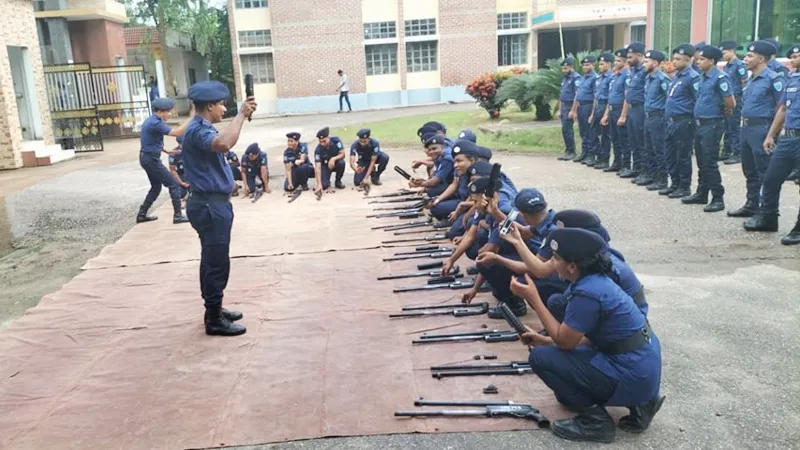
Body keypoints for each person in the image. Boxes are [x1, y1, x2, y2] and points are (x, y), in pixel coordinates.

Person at [510, 228, 663, 443]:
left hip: (632, 373)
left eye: (556, 258)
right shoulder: (598, 281)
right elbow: (594, 338)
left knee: (541, 358)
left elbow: (565, 342)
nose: (552, 263)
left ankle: (596, 423)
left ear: (572, 267)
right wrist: (545, 339)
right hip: (644, 371)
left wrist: (533, 298)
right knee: (557, 370)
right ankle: (642, 405)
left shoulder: (587, 293)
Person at [182, 80, 256, 336]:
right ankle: (214, 319)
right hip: (209, 205)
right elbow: (224, 144)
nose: (224, 109)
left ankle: (214, 308)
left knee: (212, 258)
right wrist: (241, 115)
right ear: (210, 106)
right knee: (216, 262)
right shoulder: (197, 130)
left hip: (211, 202)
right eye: (222, 105)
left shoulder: (201, 128)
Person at [510, 209, 649, 323]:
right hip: (613, 309)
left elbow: (596, 299)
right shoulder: (586, 249)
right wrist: (517, 241)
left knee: (559, 303)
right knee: (549, 291)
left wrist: (534, 299)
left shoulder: (601, 265)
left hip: (628, 318)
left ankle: (575, 333)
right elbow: (541, 270)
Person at [469, 187, 562, 319]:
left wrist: (497, 258)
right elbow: (524, 231)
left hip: (561, 278)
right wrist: (495, 212)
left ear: (522, 215)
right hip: (552, 268)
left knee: (523, 283)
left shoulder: (553, 232)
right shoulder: (550, 218)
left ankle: (552, 320)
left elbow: (537, 270)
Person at [743, 44, 800, 246]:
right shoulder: (793, 78)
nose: (792, 59)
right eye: (792, 56)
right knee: (770, 178)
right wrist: (770, 135)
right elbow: (783, 109)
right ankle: (768, 218)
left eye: (796, 56)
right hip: (789, 138)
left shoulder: (777, 78)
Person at [727, 41, 783, 219]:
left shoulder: (773, 79)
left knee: (764, 172)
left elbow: (782, 108)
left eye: (750, 56)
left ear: (761, 59)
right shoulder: (751, 80)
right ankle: (752, 204)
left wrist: (772, 134)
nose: (745, 59)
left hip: (762, 128)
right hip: (746, 128)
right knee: (749, 170)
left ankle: (767, 211)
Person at [683, 45, 734, 213]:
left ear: (711, 61)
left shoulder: (720, 77)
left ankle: (718, 197)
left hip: (712, 124)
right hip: (700, 124)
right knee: (701, 161)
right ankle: (702, 192)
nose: (697, 62)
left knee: (710, 162)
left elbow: (730, 102)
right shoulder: (702, 77)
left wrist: (722, 113)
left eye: (701, 59)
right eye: (697, 59)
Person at [136, 97, 192, 225]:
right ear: (160, 111)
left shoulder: (152, 121)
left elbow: (151, 141)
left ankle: (141, 215)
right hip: (151, 159)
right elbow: (177, 133)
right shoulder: (155, 123)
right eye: (168, 111)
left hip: (147, 157)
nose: (170, 114)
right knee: (173, 184)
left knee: (156, 187)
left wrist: (167, 151)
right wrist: (191, 118)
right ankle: (178, 215)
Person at [660, 44, 700, 199]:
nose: (674, 62)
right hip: (670, 122)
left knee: (682, 155)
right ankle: (675, 183)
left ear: (689, 59)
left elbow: (697, 100)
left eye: (678, 59)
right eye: (674, 58)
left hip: (684, 121)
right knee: (670, 154)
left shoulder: (693, 77)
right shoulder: (677, 76)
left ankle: (684, 186)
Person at [640, 49, 670, 190]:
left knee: (659, 149)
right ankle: (651, 175)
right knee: (649, 148)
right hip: (648, 117)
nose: (643, 64)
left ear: (656, 63)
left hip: (658, 117)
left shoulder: (662, 79)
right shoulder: (648, 78)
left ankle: (662, 179)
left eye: (647, 62)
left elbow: (670, 98)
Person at [600, 48, 631, 173]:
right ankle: (617, 162)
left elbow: (627, 96)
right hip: (612, 109)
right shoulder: (614, 76)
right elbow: (611, 96)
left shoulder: (626, 75)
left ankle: (626, 165)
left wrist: (623, 115)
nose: (616, 63)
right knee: (614, 138)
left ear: (625, 62)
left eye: (619, 61)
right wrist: (606, 114)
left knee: (623, 139)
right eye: (615, 61)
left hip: (620, 109)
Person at [620, 42, 646, 180]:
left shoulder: (644, 71)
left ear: (639, 55)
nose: (628, 60)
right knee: (633, 140)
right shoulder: (633, 71)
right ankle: (636, 168)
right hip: (632, 109)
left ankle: (644, 170)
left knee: (641, 142)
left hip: (641, 109)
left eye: (630, 57)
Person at [720, 40, 748, 165]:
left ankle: (737, 153)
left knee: (734, 126)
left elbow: (744, 83)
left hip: (736, 99)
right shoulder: (727, 66)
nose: (723, 55)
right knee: (727, 126)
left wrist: (743, 100)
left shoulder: (739, 65)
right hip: (727, 99)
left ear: (732, 51)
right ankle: (727, 151)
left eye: (724, 53)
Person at [570, 55, 599, 164]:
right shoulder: (583, 78)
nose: (585, 67)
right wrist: (574, 110)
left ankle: (591, 155)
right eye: (584, 65)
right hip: (581, 106)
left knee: (590, 132)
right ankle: (584, 152)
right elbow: (578, 94)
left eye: (588, 65)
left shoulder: (595, 78)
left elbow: (596, 96)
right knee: (583, 131)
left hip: (589, 106)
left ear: (593, 65)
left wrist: (593, 113)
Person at [590, 52, 613, 169]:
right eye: (599, 64)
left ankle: (605, 159)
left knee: (605, 135)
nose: (600, 66)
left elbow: (610, 97)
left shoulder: (611, 78)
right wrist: (592, 113)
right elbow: (595, 96)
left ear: (608, 64)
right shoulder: (598, 78)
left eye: (602, 64)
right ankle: (598, 156)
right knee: (594, 133)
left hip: (605, 106)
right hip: (598, 106)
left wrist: (606, 114)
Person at [557, 57, 580, 161]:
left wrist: (573, 110)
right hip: (564, 106)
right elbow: (561, 95)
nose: (564, 70)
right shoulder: (565, 79)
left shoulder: (576, 78)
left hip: (571, 105)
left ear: (571, 67)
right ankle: (568, 150)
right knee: (565, 130)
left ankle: (572, 151)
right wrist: (560, 110)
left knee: (568, 129)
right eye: (562, 68)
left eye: (565, 68)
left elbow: (577, 95)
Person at [313, 126, 346, 193]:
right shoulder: (318, 150)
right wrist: (319, 184)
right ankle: (326, 181)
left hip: (336, 163)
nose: (322, 143)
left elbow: (343, 154)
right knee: (324, 186)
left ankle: (338, 181)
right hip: (325, 166)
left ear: (328, 137)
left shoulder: (336, 141)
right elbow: (317, 167)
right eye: (320, 141)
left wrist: (333, 159)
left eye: (324, 141)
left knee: (341, 163)